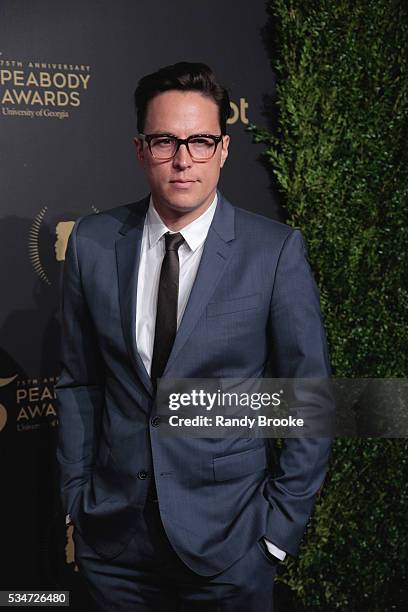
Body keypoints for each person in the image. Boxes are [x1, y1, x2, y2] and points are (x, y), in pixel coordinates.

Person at [55, 62, 333, 611]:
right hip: (115, 545)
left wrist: (275, 534)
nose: (184, 160)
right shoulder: (92, 242)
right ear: (141, 149)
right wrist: (75, 500)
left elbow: (309, 398)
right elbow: (79, 381)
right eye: (165, 141)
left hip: (230, 546)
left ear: (223, 150)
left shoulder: (273, 251)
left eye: (200, 141)